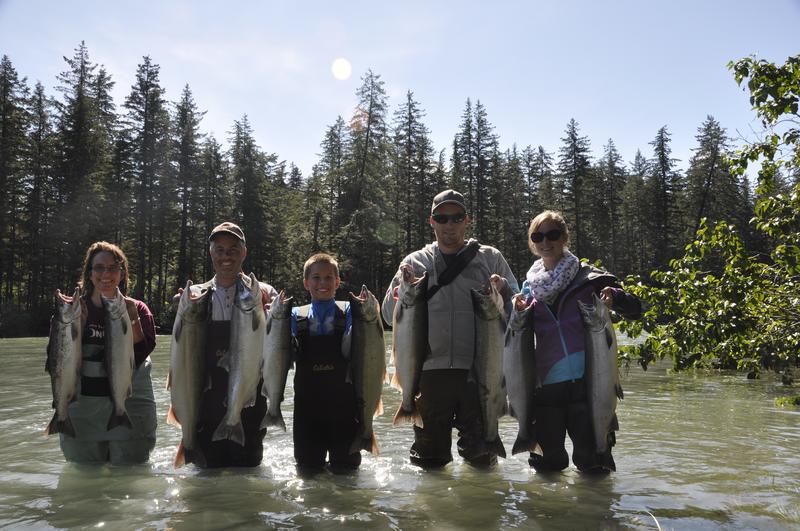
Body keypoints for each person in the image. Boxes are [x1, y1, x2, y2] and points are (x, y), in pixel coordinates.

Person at [381, 189, 518, 469]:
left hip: (480, 372)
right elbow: (386, 315)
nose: (449, 224)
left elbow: (518, 310)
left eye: (456, 217)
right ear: (432, 222)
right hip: (428, 373)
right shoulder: (414, 262)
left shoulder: (490, 258)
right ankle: (432, 510)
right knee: (429, 461)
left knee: (481, 459)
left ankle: (481, 508)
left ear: (466, 220)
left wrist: (503, 290)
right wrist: (399, 291)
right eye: (442, 218)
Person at [517, 210, 641, 474]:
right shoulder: (529, 289)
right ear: (531, 242)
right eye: (537, 236)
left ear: (564, 237)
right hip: (547, 388)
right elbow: (514, 336)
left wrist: (615, 297)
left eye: (552, 234)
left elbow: (635, 309)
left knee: (594, 465)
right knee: (546, 467)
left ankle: (596, 510)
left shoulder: (589, 279)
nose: (545, 241)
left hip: (591, 385)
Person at [49, 241, 157, 464]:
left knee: (129, 479)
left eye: (112, 267)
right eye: (99, 268)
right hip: (83, 414)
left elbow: (143, 351)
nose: (105, 274)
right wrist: (77, 327)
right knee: (84, 480)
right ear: (89, 273)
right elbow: (57, 357)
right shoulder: (74, 309)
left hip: (129, 407)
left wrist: (132, 318)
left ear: (122, 273)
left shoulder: (137, 308)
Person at [188, 222, 278, 467]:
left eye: (233, 249)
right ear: (211, 253)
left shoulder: (266, 293)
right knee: (206, 479)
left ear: (244, 253)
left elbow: (279, 349)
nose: (226, 256)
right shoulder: (195, 296)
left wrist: (273, 319)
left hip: (250, 400)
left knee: (247, 477)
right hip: (206, 402)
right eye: (220, 250)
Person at [291, 252, 361, 474]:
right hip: (306, 412)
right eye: (316, 277)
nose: (323, 283)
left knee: (347, 473)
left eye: (329, 278)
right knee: (307, 472)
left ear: (338, 282)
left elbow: (363, 343)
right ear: (306, 282)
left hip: (345, 410)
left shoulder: (351, 310)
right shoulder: (293, 314)